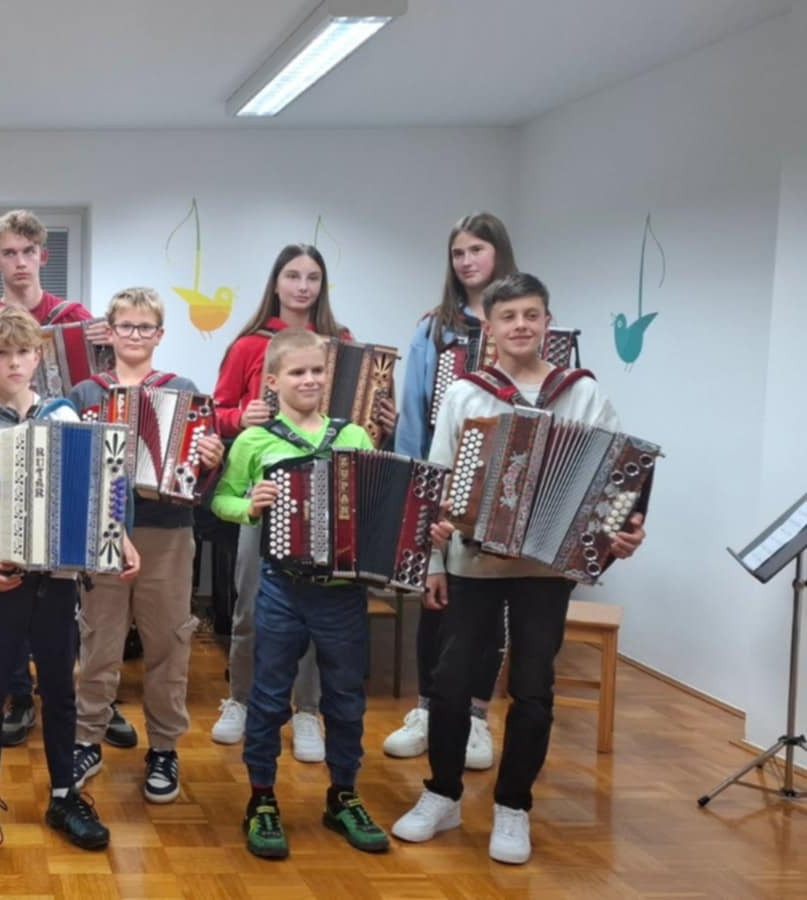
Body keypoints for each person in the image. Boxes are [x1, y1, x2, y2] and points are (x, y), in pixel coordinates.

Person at [391, 273, 646, 865]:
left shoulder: (583, 394)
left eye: (532, 315)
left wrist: (623, 532)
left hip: (547, 568)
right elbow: (437, 483)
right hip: (472, 564)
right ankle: (443, 794)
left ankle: (513, 805)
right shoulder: (466, 394)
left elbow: (617, 478)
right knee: (450, 683)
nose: (521, 326)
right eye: (509, 317)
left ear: (547, 323)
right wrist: (433, 560)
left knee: (533, 686)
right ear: (490, 327)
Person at [0, 307, 139, 859]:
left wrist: (119, 538)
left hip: (58, 580)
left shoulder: (64, 414)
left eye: (22, 352)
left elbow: (98, 485)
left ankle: (63, 796)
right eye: (1, 353)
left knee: (59, 690)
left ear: (37, 356)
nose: (13, 362)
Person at [0, 209, 127, 748]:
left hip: (63, 482)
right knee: (5, 593)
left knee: (68, 604)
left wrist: (109, 344)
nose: (20, 262)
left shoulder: (77, 319)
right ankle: (18, 696)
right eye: (10, 253)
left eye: (29, 252)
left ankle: (85, 701)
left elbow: (99, 399)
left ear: (43, 256)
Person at [208, 245, 395, 760]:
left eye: (313, 277)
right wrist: (240, 420)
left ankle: (308, 709)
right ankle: (240, 698)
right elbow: (218, 413)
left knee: (319, 614)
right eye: (293, 276)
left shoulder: (343, 344)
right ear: (277, 282)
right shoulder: (249, 344)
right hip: (266, 493)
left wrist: (383, 421)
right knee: (251, 608)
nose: (303, 286)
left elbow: (363, 436)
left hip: (330, 503)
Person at [212, 328, 391, 860]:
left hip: (342, 592)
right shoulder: (254, 441)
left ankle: (344, 794)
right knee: (268, 695)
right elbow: (221, 499)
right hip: (280, 586)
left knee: (346, 698)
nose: (309, 380)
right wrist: (250, 505)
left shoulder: (353, 435)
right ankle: (261, 798)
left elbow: (377, 501)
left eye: (317, 371)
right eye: (297, 372)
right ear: (273, 382)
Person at [65, 288, 224, 804]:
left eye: (145, 327)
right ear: (109, 333)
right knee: (99, 640)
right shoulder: (85, 394)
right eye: (126, 326)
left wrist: (211, 455)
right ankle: (86, 738)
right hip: (103, 533)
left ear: (160, 335)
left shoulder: (182, 390)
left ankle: (163, 747)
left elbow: (201, 474)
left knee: (168, 642)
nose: (135, 335)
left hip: (168, 531)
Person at [383, 212, 521, 769]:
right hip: (438, 477)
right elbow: (415, 412)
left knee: (490, 604)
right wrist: (414, 484)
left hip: (503, 484)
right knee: (434, 596)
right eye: (458, 252)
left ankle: (477, 718)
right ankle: (427, 709)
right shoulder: (434, 329)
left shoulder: (520, 322)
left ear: (498, 253)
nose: (466, 261)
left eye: (476, 250)